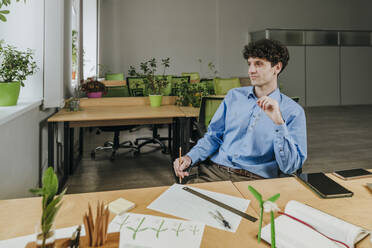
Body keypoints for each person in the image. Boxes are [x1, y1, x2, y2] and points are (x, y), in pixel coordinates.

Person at [173, 38, 307, 183]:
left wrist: (279, 123)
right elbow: (213, 137)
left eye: (259, 64)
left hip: (255, 180)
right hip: (215, 173)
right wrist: (189, 157)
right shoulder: (233, 96)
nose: (251, 70)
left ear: (277, 68)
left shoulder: (293, 111)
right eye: (249, 64)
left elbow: (290, 166)